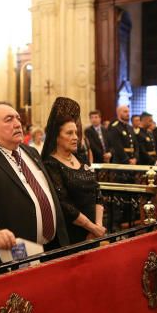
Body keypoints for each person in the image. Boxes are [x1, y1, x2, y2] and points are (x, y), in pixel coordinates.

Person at [0, 101, 70, 270]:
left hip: (53, 248)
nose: (17, 123)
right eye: (8, 119)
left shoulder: (31, 152)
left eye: (17, 118)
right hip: (13, 255)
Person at [41, 97, 105, 244]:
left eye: (76, 132)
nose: (75, 137)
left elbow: (97, 191)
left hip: (96, 229)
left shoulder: (81, 158)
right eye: (69, 133)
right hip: (72, 234)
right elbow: (65, 205)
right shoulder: (51, 164)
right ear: (56, 137)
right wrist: (92, 228)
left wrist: (98, 226)